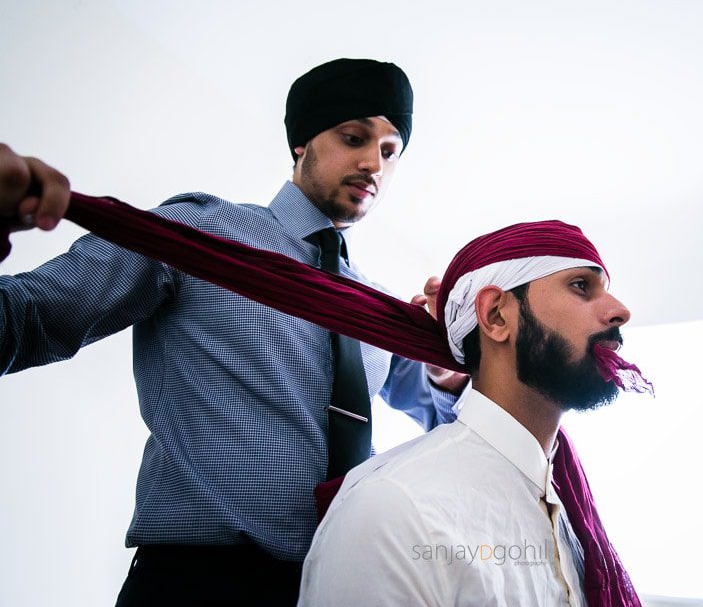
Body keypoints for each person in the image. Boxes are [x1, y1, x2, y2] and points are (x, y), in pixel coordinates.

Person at [0, 58, 467, 606]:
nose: (373, 164)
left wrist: (449, 369)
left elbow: (449, 423)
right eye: (353, 137)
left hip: (335, 588)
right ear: (302, 143)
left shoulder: (372, 308)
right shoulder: (199, 235)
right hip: (194, 584)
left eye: (390, 151)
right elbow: (25, 320)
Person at [297, 220, 642, 607]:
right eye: (581, 286)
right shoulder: (395, 511)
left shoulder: (573, 515)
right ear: (496, 315)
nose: (620, 311)